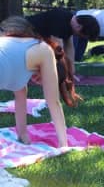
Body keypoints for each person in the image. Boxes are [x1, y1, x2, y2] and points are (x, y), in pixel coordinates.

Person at [0, 16, 68, 147]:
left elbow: (20, 100)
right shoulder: (44, 50)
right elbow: (54, 102)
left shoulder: (20, 79)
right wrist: (64, 144)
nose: (39, 81)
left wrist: (23, 135)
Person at [25, 8, 100, 74]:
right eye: (80, 35)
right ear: (79, 27)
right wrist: (65, 73)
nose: (78, 37)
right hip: (23, 35)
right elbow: (58, 48)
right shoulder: (60, 19)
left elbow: (70, 47)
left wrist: (71, 70)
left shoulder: (70, 23)